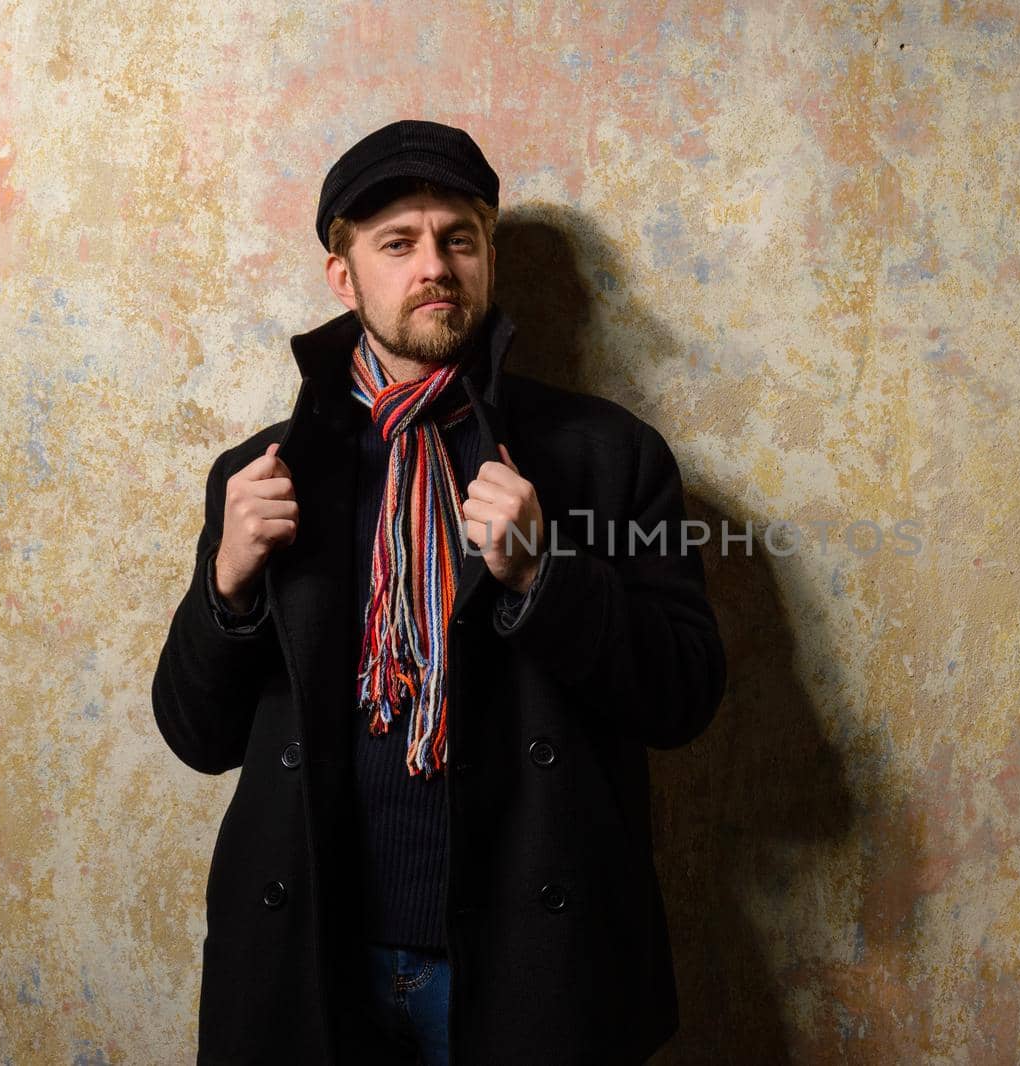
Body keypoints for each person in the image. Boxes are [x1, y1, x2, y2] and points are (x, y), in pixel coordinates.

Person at [150, 119, 727, 1065]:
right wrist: (226, 586)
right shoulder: (264, 473)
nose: (435, 267)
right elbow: (196, 736)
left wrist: (547, 577)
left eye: (458, 238)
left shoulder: (608, 458)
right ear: (346, 278)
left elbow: (684, 697)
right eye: (398, 243)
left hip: (530, 968)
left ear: (489, 258)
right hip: (314, 962)